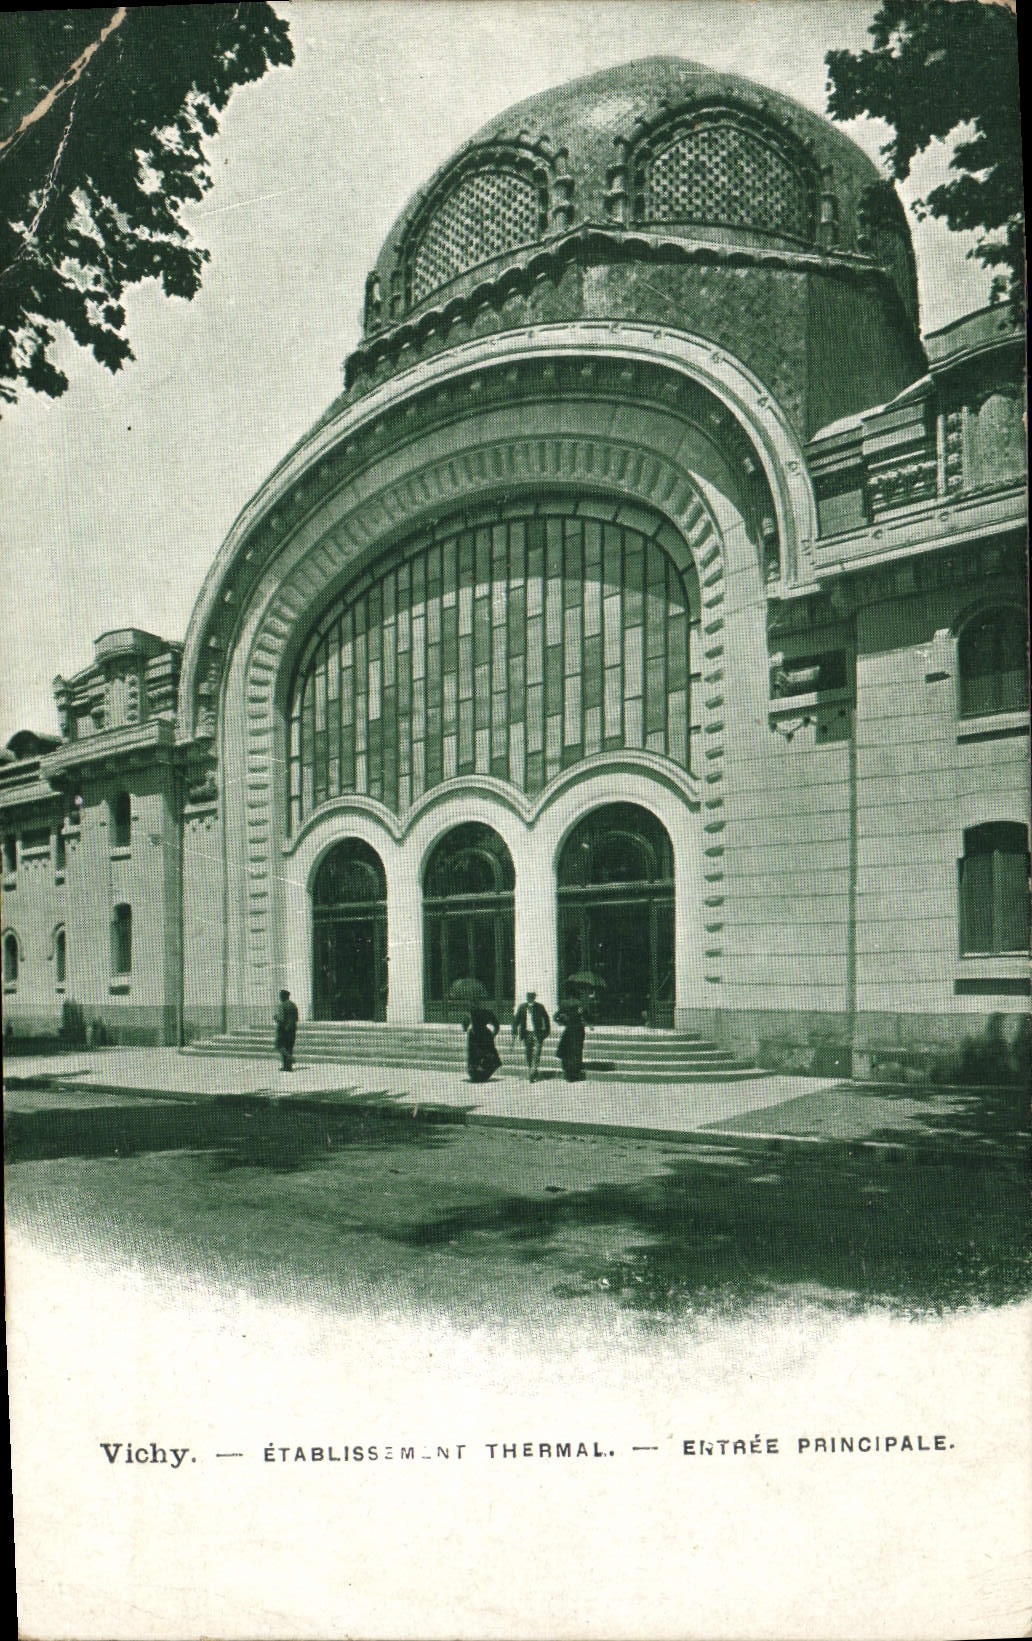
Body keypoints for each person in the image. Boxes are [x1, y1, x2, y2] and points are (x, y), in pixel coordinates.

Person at [511, 989, 550, 1083]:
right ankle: (531, 1070)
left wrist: (545, 1033)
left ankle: (533, 1072)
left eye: (531, 996)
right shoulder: (522, 1007)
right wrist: (514, 1031)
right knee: (528, 1053)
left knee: (536, 1053)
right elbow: (516, 1021)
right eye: (528, 996)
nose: (529, 998)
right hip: (527, 1033)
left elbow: (546, 1020)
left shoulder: (540, 1007)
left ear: (534, 997)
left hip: (537, 1034)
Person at [461, 1005, 501, 1083]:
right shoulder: (488, 1012)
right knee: (487, 1054)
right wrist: (493, 1035)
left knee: (475, 1055)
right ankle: (482, 1073)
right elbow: (496, 1026)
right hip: (486, 1035)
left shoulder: (471, 1012)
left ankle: (475, 1074)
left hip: (474, 1035)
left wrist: (465, 1028)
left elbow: (465, 1025)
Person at [554, 1000, 586, 1082]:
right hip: (578, 1031)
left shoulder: (565, 1006)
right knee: (576, 1052)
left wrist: (562, 1022)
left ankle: (569, 1074)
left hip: (569, 1031)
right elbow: (587, 1017)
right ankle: (573, 1074)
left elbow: (555, 1017)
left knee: (568, 1052)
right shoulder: (579, 1007)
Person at [274, 988, 299, 1071]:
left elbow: (281, 1019)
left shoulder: (282, 1005)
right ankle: (288, 1067)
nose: (279, 997)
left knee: (279, 1045)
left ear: (283, 996)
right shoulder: (293, 1005)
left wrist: (276, 1018)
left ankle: (290, 1058)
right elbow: (296, 1018)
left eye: (280, 996)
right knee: (289, 1047)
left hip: (283, 1030)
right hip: (292, 1029)